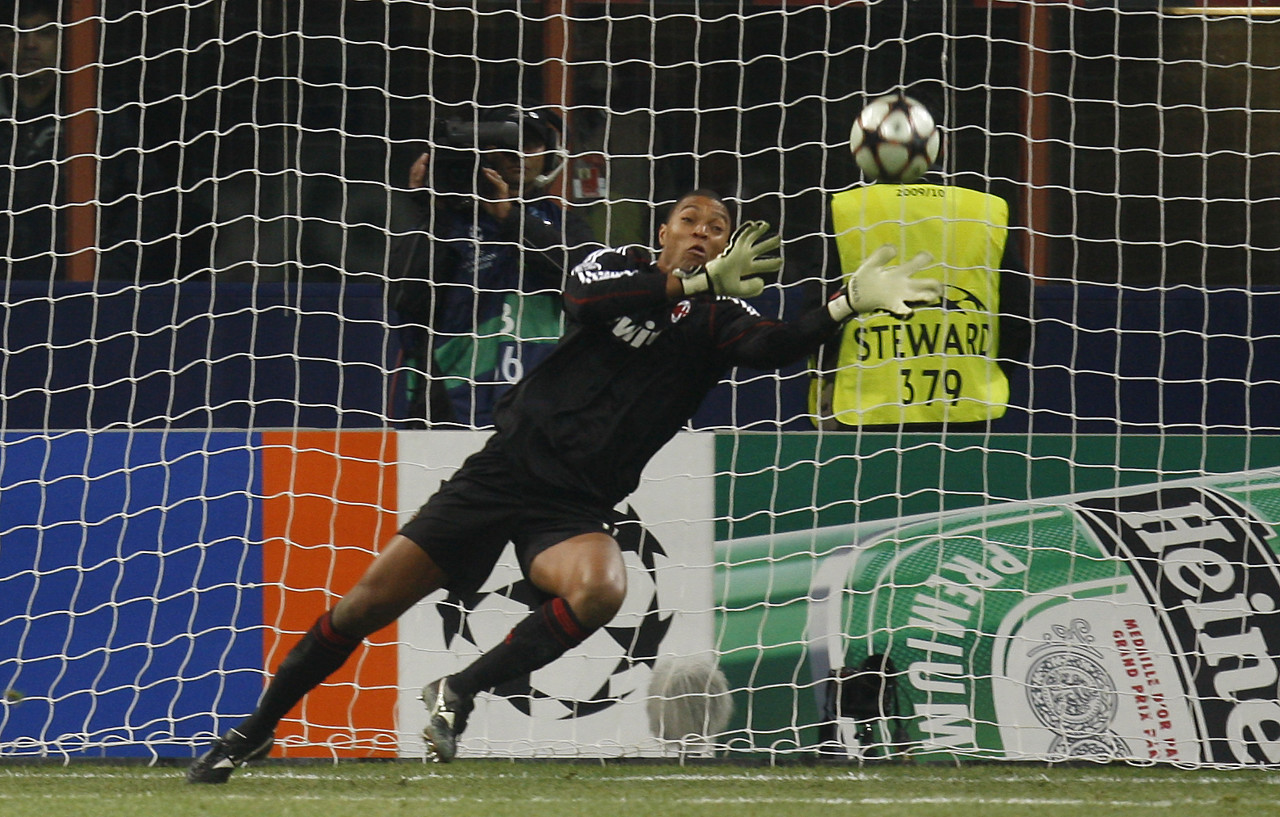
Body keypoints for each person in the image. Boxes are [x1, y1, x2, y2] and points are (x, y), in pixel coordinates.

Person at [187, 188, 943, 782]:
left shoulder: (720, 318)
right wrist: (687, 280)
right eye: (690, 220)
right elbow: (585, 302)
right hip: (501, 475)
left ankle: (460, 689)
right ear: (663, 231)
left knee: (602, 588)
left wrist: (843, 305)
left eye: (718, 227)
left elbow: (774, 347)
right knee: (361, 608)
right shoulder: (614, 266)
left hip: (573, 505)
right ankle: (252, 732)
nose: (704, 231)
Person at [388, 105, 599, 427]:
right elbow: (405, 297)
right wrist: (432, 211)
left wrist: (509, 217)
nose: (517, 154)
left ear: (549, 154)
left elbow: (589, 283)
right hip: (453, 409)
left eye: (529, 144)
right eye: (505, 144)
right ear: (482, 154)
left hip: (545, 407)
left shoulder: (565, 225)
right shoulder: (447, 223)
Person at [810, 166, 1033, 431]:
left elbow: (819, 312)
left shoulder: (846, 208)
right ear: (940, 148)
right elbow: (1020, 317)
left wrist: (826, 379)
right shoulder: (986, 209)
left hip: (867, 409)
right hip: (968, 407)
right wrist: (984, 372)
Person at [0, 0, 140, 280]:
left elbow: (142, 203)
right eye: (17, 34)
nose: (30, 45)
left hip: (77, 289)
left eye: (44, 33)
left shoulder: (102, 120)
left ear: (64, 42)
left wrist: (107, 273)